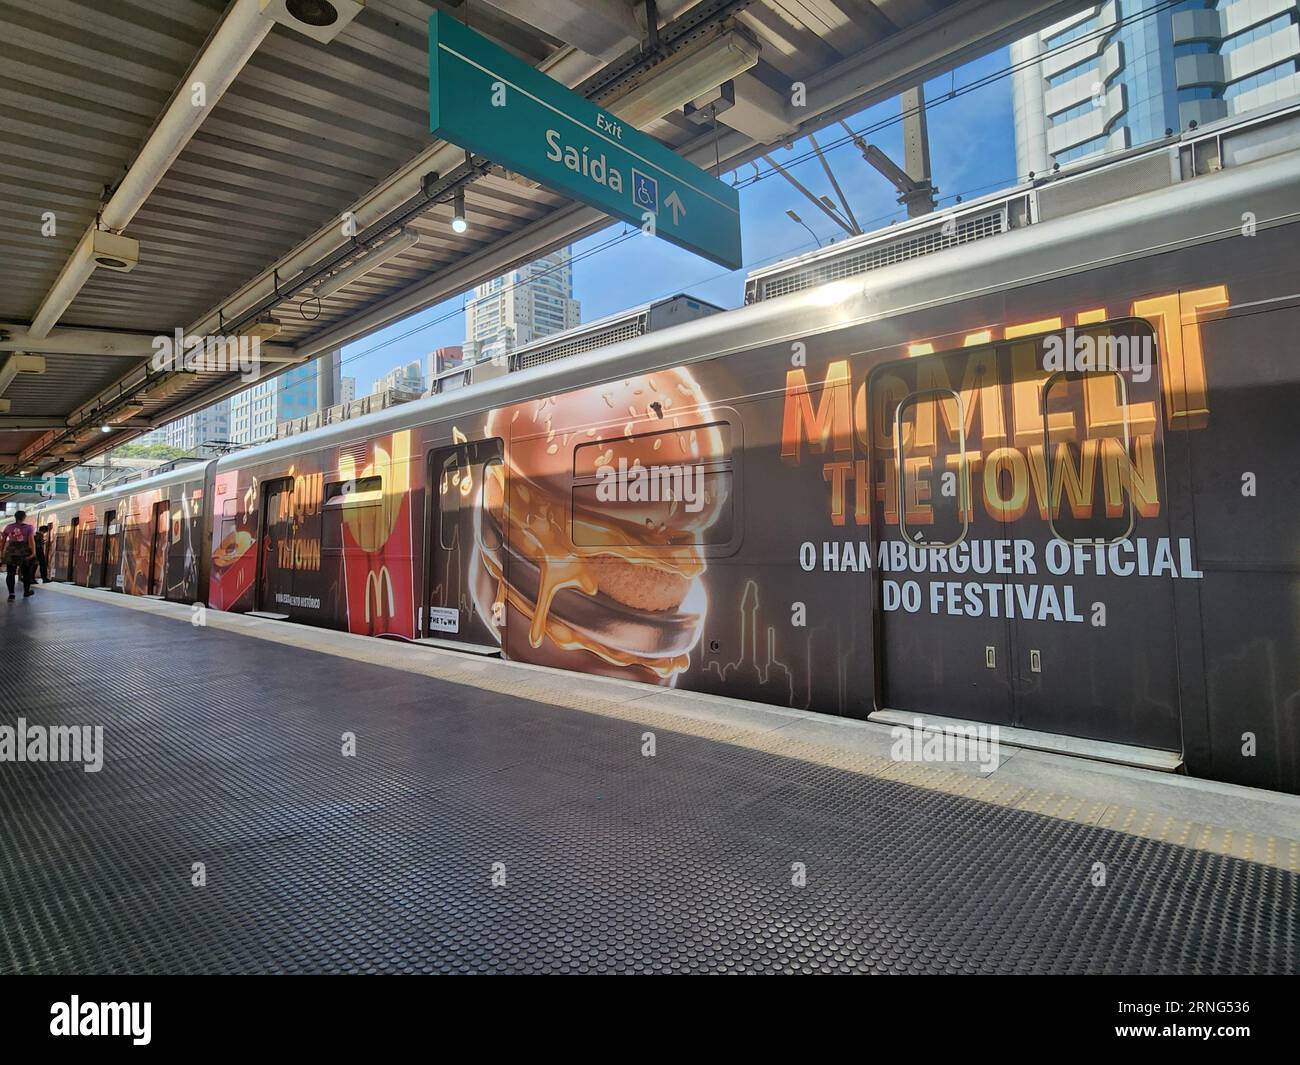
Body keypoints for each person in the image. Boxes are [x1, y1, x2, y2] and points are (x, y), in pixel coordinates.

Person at [2, 509, 38, 600]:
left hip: (11, 551)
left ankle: (11, 594)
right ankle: (26, 591)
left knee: (10, 573)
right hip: (24, 551)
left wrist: (1, 550)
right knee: (26, 573)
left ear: (15, 517)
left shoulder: (8, 527)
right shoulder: (29, 527)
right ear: (24, 517)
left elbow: (3, 539)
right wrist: (33, 552)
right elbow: (31, 541)